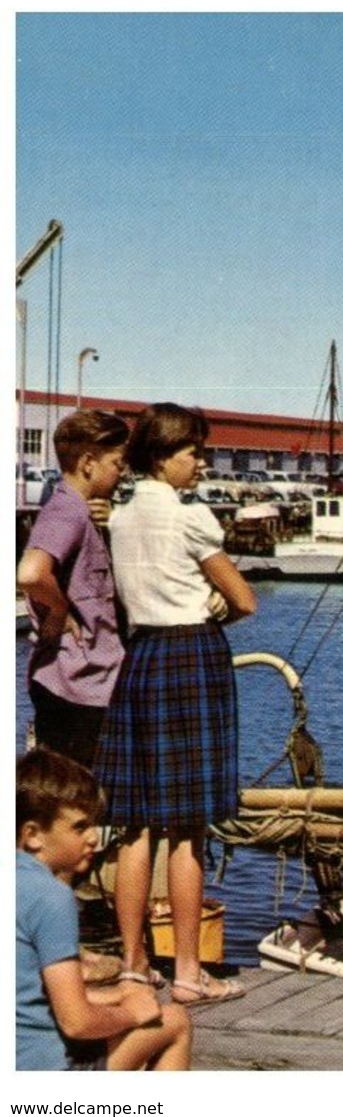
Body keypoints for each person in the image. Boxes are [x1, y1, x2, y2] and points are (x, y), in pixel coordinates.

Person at [93, 403, 257, 1004]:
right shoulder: (192, 518)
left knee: (134, 824)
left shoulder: (124, 514)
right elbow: (244, 601)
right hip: (191, 659)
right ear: (163, 456)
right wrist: (219, 606)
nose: (202, 462)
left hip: (142, 659)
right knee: (189, 830)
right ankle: (189, 972)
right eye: (193, 452)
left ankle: (135, 963)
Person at [17, 749, 192, 1071]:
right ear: (33, 835)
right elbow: (76, 1023)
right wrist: (131, 1012)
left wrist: (116, 994)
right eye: (80, 827)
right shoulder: (51, 897)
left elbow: (29, 994)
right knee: (175, 1021)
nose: (94, 839)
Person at [17, 409, 130, 766]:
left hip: (87, 685)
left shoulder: (79, 511)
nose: (122, 472)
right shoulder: (68, 511)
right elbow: (31, 573)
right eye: (117, 462)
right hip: (76, 688)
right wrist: (60, 609)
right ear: (87, 463)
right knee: (74, 799)